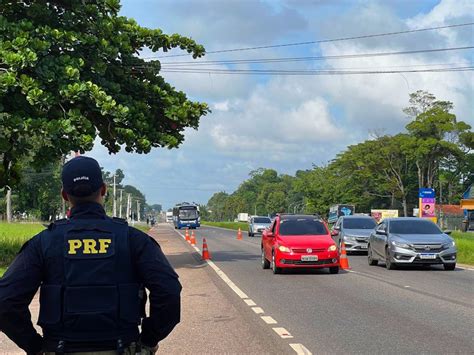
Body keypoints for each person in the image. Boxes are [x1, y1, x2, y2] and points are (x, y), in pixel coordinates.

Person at [0, 156, 181, 354]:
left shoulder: (44, 243)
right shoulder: (133, 239)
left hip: (60, 348)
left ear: (64, 195)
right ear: (104, 190)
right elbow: (169, 291)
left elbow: (5, 301)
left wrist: (35, 346)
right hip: (122, 348)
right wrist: (148, 339)